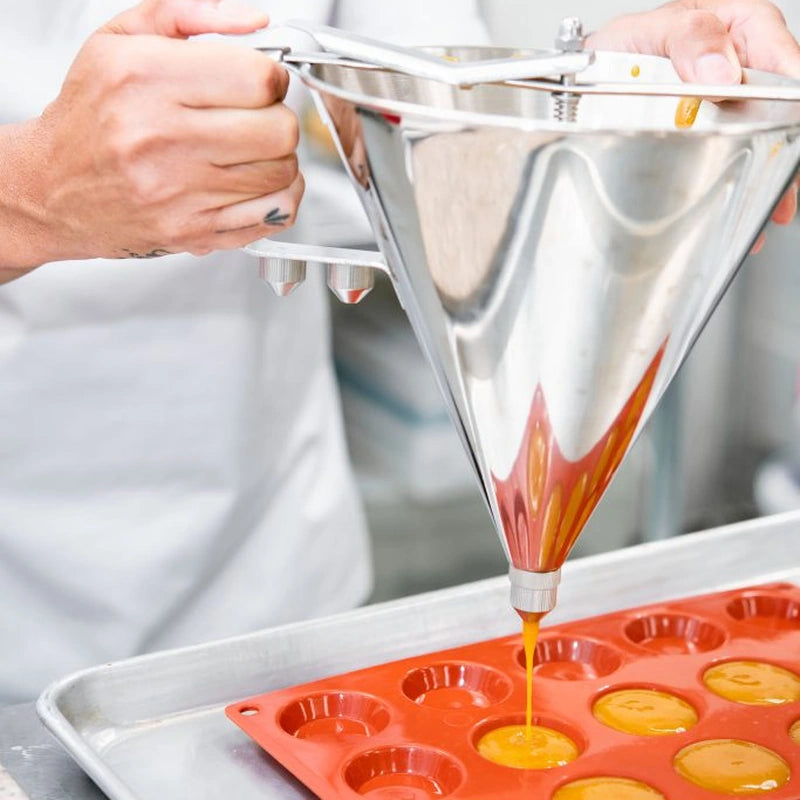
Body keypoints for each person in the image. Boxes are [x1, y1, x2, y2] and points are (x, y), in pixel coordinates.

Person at [0, 0, 796, 704]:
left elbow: (424, 100)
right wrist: (33, 191)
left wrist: (596, 97)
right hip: (23, 585)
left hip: (274, 571)